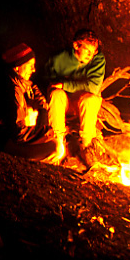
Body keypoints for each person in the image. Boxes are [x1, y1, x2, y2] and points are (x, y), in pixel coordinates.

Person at [0, 43, 64, 164]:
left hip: (3, 137)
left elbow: (32, 88)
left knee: (37, 118)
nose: (34, 69)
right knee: (56, 148)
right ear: (17, 67)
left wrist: (43, 111)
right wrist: (47, 132)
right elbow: (18, 134)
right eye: (30, 65)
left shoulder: (14, 80)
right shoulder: (11, 90)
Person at [35, 29, 110, 169]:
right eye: (88, 50)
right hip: (65, 104)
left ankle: (86, 147)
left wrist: (65, 84)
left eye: (93, 52)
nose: (91, 55)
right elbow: (47, 83)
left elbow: (93, 87)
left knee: (90, 99)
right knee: (56, 94)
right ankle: (57, 143)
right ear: (76, 46)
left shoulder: (98, 60)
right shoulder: (58, 60)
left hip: (83, 104)